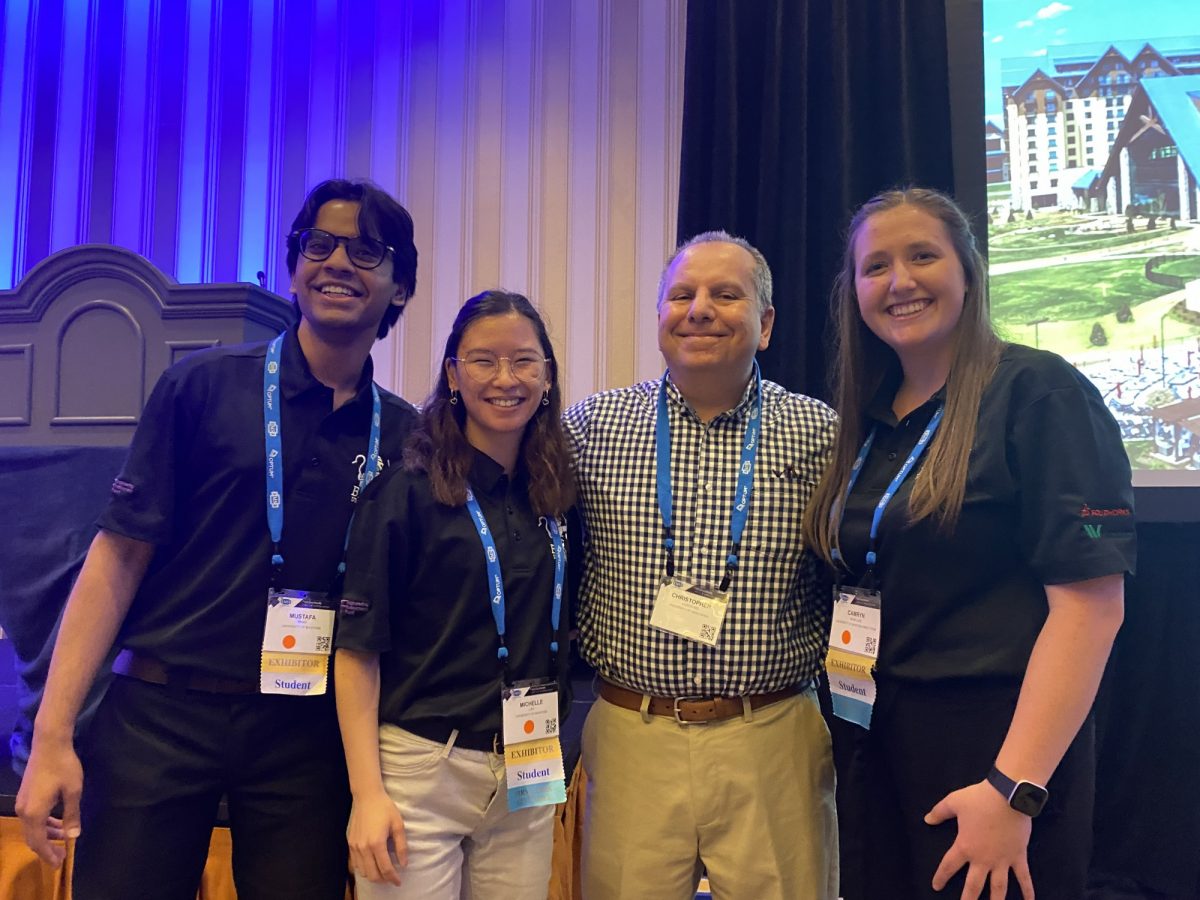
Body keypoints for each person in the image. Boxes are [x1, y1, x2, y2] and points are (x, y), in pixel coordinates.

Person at [15, 178, 420, 900]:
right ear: (294, 266)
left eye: (365, 251)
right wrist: (53, 735)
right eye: (318, 245)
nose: (337, 263)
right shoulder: (201, 387)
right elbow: (115, 561)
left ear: (399, 287)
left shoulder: (405, 434)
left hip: (304, 730)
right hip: (159, 717)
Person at [801, 187, 1134, 900]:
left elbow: (1092, 609)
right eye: (876, 266)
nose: (900, 282)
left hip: (995, 755)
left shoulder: (1041, 394)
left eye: (923, 256)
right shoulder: (871, 418)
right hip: (875, 743)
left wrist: (1013, 789)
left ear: (968, 271)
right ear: (852, 290)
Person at [564, 231, 840, 900]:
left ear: (766, 323)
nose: (700, 309)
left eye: (726, 294)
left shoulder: (822, 434)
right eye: (681, 294)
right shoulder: (591, 428)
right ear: (659, 316)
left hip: (771, 735)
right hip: (635, 735)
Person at [334, 290, 576, 899]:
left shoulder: (558, 491)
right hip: (420, 772)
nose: (505, 379)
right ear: (452, 374)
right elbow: (357, 651)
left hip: (528, 765)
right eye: (483, 361)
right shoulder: (403, 491)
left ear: (546, 375)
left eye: (524, 361)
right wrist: (367, 794)